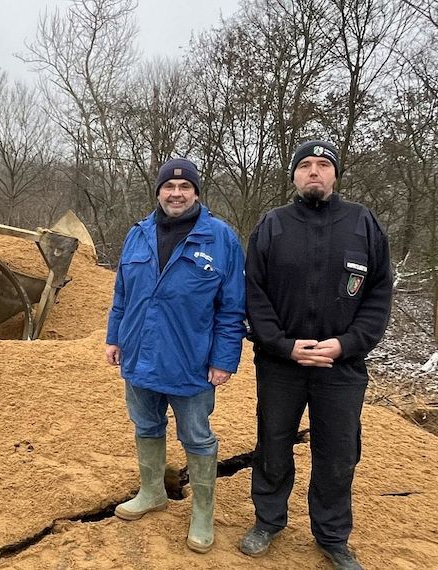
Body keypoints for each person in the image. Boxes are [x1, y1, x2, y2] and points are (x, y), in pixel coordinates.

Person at [240, 140, 393, 570]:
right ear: (293, 175)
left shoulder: (363, 224)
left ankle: (332, 535)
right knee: (272, 444)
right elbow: (254, 293)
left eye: (323, 165)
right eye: (305, 165)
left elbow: (379, 293)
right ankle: (267, 521)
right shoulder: (273, 225)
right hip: (281, 365)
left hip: (340, 365)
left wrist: (348, 343)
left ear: (335, 174)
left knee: (339, 452)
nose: (314, 171)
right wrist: (284, 345)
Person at [105, 158, 246, 553]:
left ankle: (202, 512)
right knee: (146, 425)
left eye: (185, 188)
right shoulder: (138, 235)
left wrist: (224, 359)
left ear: (197, 193)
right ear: (159, 192)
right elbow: (122, 295)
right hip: (139, 355)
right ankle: (152, 492)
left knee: (197, 437)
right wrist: (114, 338)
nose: (177, 194)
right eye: (169, 187)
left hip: (191, 360)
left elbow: (233, 307)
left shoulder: (220, 238)